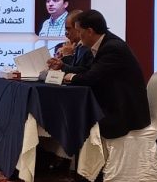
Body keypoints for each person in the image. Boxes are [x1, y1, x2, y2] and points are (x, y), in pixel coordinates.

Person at [64, 10, 151, 139]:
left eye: (79, 31)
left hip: (123, 114)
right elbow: (90, 70)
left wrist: (70, 77)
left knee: (73, 116)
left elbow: (91, 77)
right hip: (115, 104)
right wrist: (66, 69)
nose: (78, 35)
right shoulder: (106, 42)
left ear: (89, 31)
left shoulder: (112, 48)